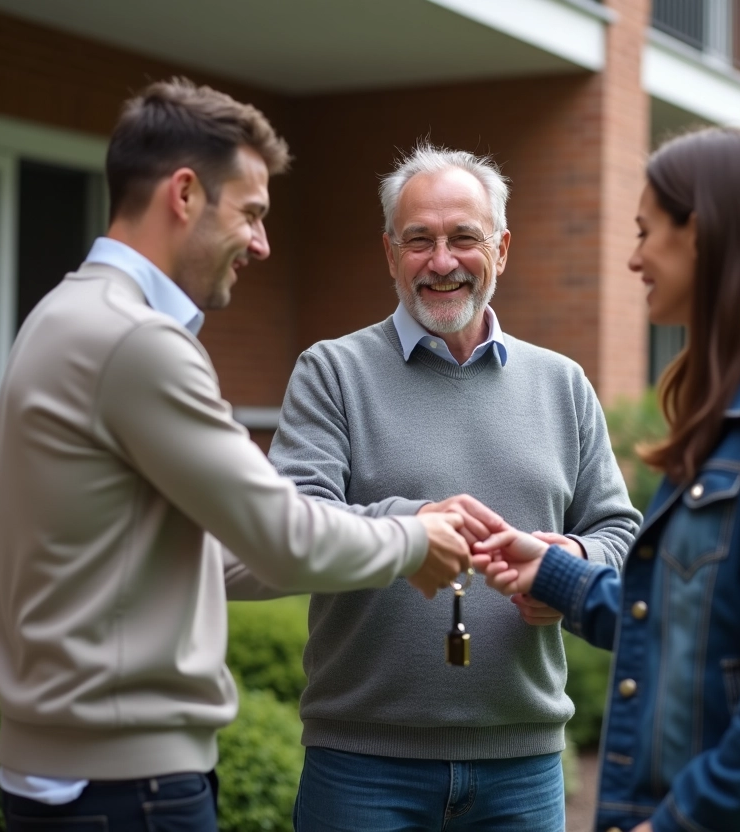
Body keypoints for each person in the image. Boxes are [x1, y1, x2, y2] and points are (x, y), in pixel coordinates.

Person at [0, 79, 472, 832]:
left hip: (70, 773)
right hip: (126, 783)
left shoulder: (61, 314)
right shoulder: (137, 341)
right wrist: (416, 539)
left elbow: (215, 549)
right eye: (250, 212)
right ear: (184, 194)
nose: (262, 242)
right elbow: (279, 529)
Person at [474, 127, 740, 832]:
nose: (635, 257)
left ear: (699, 233)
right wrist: (552, 573)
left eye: (647, 232)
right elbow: (687, 626)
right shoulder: (733, 414)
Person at [267, 143, 642, 831]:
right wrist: (415, 526)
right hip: (362, 765)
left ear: (501, 249)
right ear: (390, 254)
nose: (442, 261)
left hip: (524, 769)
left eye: (463, 238)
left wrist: (565, 569)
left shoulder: (563, 384)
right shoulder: (332, 373)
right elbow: (293, 524)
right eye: (419, 241)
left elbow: (623, 535)